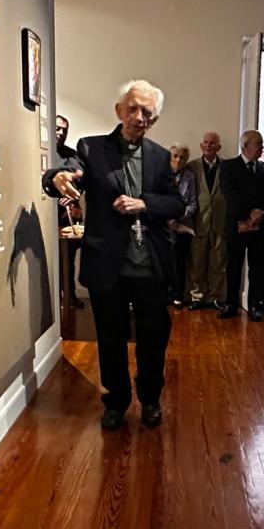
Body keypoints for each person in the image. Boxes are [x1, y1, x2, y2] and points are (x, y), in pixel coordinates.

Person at [43, 80, 184, 430]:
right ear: (119, 110)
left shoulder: (159, 155)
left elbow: (177, 204)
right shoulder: (92, 148)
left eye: (147, 113)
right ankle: (116, 401)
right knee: (110, 338)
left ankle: (150, 400)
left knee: (153, 340)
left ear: (154, 119)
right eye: (133, 109)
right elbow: (66, 171)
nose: (139, 117)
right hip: (109, 266)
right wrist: (55, 177)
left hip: (150, 266)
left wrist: (145, 203)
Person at [221, 129, 264, 320]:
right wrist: (248, 213)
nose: (262, 147)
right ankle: (230, 304)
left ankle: (254, 305)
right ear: (245, 146)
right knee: (234, 266)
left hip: (260, 226)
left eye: (262, 144)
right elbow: (229, 194)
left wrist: (261, 212)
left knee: (258, 267)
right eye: (258, 144)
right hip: (237, 224)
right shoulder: (228, 166)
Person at [185, 131, 228, 309]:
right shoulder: (191, 166)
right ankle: (197, 297)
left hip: (220, 221)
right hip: (198, 222)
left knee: (218, 262)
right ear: (201, 145)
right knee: (197, 262)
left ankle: (215, 297)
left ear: (219, 147)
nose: (209, 145)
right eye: (206, 142)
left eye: (213, 143)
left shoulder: (227, 167)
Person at [54, 114, 84, 308]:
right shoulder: (42, 152)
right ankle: (55, 299)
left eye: (64, 130)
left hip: (67, 214)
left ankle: (70, 296)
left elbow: (81, 181)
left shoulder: (73, 156)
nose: (60, 133)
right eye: (57, 128)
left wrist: (74, 198)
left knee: (68, 258)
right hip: (45, 216)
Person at [167, 144, 198, 307]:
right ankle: (162, 294)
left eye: (182, 157)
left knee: (179, 263)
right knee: (162, 261)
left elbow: (193, 204)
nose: (178, 160)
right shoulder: (160, 174)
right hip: (163, 226)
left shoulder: (190, 177)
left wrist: (178, 219)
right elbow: (154, 199)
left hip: (183, 226)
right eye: (175, 156)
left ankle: (177, 294)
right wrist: (167, 219)